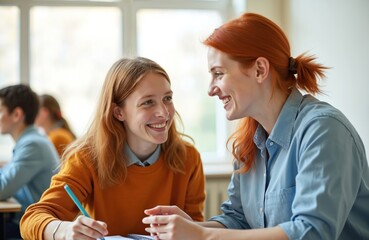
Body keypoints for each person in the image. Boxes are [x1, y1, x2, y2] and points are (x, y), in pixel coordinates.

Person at [142, 12, 369, 240]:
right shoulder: (248, 142)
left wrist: (203, 236)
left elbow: (311, 233)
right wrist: (192, 227)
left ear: (260, 70)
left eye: (219, 74)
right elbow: (238, 220)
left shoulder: (324, 130)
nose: (211, 89)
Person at [20, 57, 206, 239]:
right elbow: (31, 219)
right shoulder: (87, 158)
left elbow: (195, 227)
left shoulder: (188, 157)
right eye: (148, 102)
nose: (163, 112)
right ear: (118, 112)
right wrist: (64, 231)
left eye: (167, 98)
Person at [0, 84, 59, 239]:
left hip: (31, 227)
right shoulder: (31, 140)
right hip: (24, 221)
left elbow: (2, 188)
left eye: (0, 111)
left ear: (17, 114)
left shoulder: (33, 144)